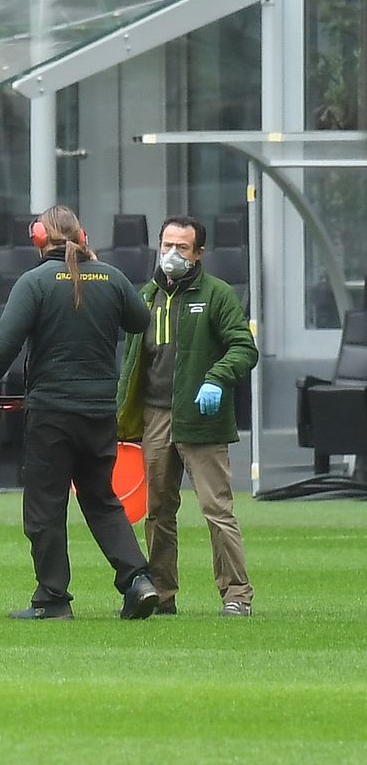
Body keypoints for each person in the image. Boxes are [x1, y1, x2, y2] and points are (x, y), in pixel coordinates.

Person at [0, 205, 158, 620]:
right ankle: (138, 581)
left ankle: (52, 598)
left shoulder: (34, 282)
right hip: (98, 413)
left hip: (51, 412)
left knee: (45, 507)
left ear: (39, 239)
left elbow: (4, 343)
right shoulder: (111, 277)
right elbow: (140, 319)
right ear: (83, 236)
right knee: (102, 499)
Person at [116, 215, 258, 617]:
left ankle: (236, 595)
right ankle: (161, 593)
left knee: (217, 509)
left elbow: (244, 349)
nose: (172, 254)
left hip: (201, 417)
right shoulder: (146, 296)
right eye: (166, 246)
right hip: (155, 416)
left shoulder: (216, 295)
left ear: (198, 254)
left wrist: (216, 378)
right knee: (158, 511)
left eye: (181, 247)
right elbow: (132, 362)